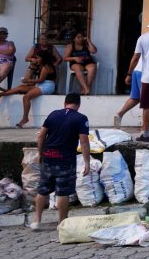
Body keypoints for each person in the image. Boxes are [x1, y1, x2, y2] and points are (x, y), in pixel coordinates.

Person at [30, 92, 90, 230]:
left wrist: (40, 153)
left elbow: (41, 136)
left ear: (65, 103)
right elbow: (84, 141)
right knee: (63, 192)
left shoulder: (53, 114)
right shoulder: (80, 118)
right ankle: (61, 223)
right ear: (79, 104)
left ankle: (37, 221)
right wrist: (86, 162)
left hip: (48, 157)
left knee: (42, 190)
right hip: (65, 160)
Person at [1, 50, 57, 128]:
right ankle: (3, 94)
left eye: (38, 58)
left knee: (26, 97)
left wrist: (28, 81)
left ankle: (25, 118)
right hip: (41, 84)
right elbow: (29, 76)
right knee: (21, 87)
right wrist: (31, 67)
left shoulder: (46, 67)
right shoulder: (41, 66)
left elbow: (41, 80)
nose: (36, 60)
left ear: (43, 58)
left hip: (48, 85)